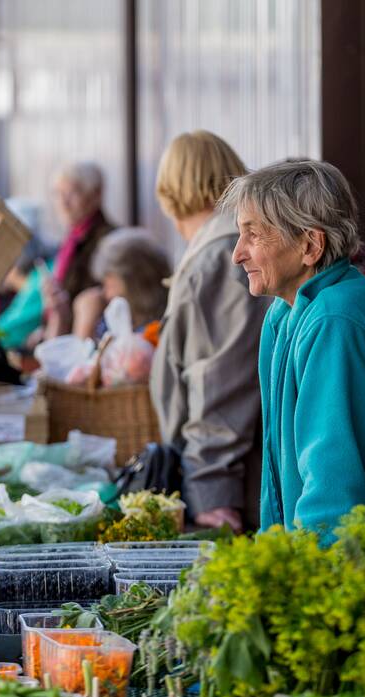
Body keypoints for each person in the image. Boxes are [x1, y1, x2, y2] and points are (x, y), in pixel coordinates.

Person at [224, 159, 365, 539]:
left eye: (253, 235)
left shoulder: (335, 321)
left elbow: (331, 497)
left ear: (310, 245)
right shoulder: (286, 314)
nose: (237, 253)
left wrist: (310, 588)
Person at [150, 131, 268, 531]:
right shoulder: (223, 247)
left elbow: (219, 385)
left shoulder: (218, 258)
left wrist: (211, 492)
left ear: (172, 190)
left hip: (235, 492)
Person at [41, 162, 116, 337]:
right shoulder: (70, 239)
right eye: (58, 194)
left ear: (96, 195)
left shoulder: (109, 242)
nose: (63, 203)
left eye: (72, 193)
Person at [71, 226, 170, 343]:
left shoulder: (152, 333)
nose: (105, 294)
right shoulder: (112, 321)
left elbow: (82, 359)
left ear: (134, 284)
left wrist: (85, 324)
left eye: (108, 284)